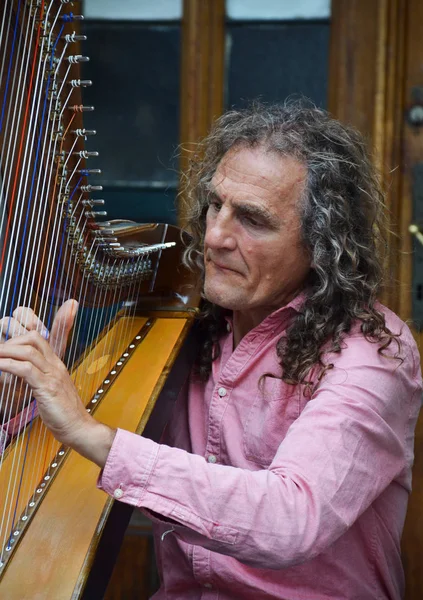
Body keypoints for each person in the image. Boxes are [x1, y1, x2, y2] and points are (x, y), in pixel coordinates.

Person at [0, 101, 421, 599]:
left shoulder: (372, 355)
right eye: (215, 206)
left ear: (321, 244)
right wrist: (19, 399)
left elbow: (292, 518)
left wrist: (87, 430)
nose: (216, 236)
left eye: (253, 220)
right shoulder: (187, 324)